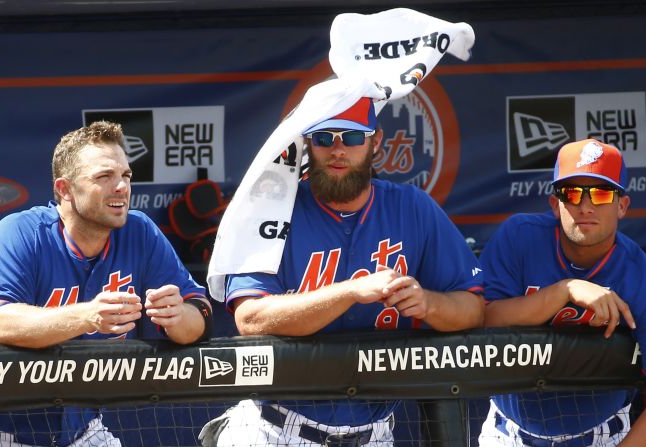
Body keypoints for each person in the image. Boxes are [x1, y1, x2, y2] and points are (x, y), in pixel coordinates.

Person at [201, 97, 486, 446]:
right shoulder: (275, 210)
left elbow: (473, 307)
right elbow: (251, 318)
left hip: (373, 434)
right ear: (308, 143)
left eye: (351, 138)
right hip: (276, 428)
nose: (337, 150)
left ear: (375, 141)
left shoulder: (412, 208)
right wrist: (349, 291)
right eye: (324, 138)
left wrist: (428, 303)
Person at [0, 121, 212, 447]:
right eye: (104, 177)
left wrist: (179, 317)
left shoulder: (139, 232)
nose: (121, 187)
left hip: (81, 427)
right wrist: (87, 317)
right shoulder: (19, 233)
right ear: (64, 189)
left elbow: (199, 317)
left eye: (126, 176)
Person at [478, 138, 646, 447]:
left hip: (601, 435)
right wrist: (564, 290)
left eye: (600, 194)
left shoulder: (643, 279)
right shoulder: (519, 239)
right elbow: (483, 318)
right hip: (508, 432)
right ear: (555, 204)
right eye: (571, 194)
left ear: (622, 206)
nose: (585, 206)